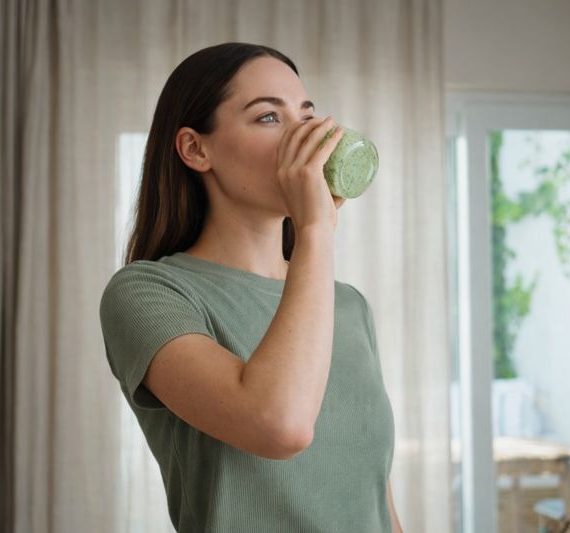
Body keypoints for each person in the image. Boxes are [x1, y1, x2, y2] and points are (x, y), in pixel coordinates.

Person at [99, 42, 402, 532]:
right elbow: (280, 426)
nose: (307, 139)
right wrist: (315, 230)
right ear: (196, 149)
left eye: (307, 116)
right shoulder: (147, 293)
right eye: (269, 117)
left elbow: (377, 502)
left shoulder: (347, 305)